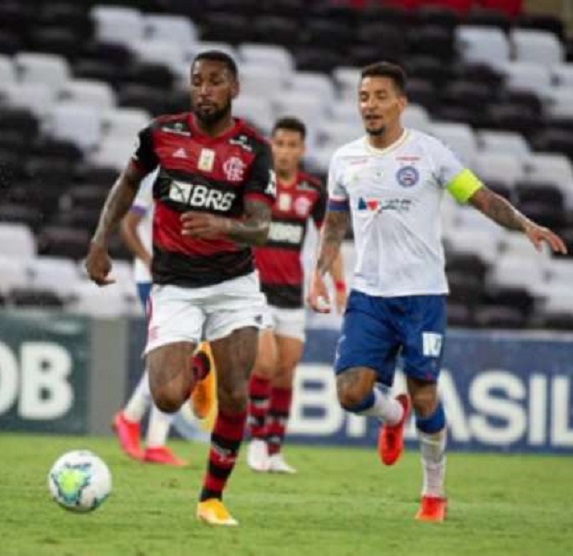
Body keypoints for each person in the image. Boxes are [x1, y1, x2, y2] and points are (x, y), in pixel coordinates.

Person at [308, 61, 567, 523]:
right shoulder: (344, 160)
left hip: (422, 296)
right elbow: (334, 225)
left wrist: (525, 224)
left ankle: (433, 494)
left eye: (380, 96)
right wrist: (318, 274)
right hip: (369, 296)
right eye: (364, 97)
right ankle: (393, 415)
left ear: (401, 103)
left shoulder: (430, 153)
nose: (370, 105)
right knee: (349, 393)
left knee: (426, 393)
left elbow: (482, 197)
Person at [85, 50, 276, 527]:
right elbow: (126, 185)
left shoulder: (253, 148)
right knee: (168, 397)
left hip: (233, 285)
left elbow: (260, 228)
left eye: (215, 81)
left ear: (235, 88)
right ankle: (198, 366)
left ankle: (211, 498)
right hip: (174, 285)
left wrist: (222, 224)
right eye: (197, 81)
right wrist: (99, 242)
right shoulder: (160, 134)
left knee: (236, 394)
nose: (204, 90)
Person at [246, 117, 347, 474]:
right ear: (270, 145)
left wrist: (338, 285)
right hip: (254, 291)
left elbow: (329, 238)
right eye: (279, 144)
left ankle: (275, 450)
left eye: (292, 145)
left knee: (285, 373)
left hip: (291, 294)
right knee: (264, 363)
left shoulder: (312, 190)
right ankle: (257, 441)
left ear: (302, 149)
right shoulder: (256, 184)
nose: (285, 151)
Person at [112, 169, 216, 466]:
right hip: (155, 280)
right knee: (173, 358)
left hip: (183, 278)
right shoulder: (154, 177)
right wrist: (149, 261)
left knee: (176, 358)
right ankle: (144, 432)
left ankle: (135, 422)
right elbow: (128, 226)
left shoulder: (200, 178)